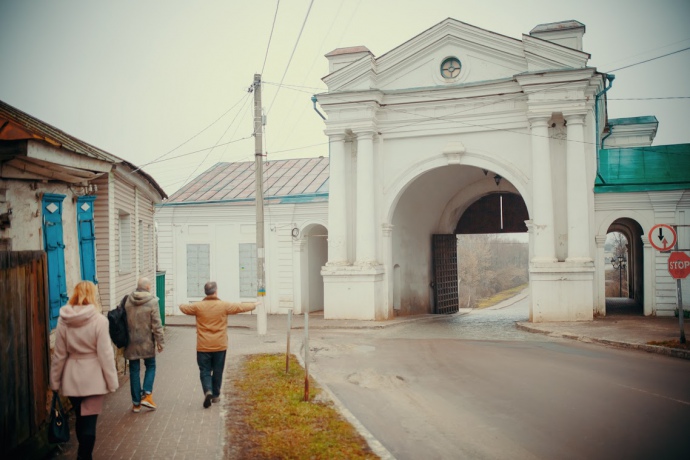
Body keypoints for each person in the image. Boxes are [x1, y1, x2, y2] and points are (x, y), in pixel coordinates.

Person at [50, 280, 119, 460]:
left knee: (80, 418)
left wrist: (54, 382)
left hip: (71, 377)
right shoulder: (99, 321)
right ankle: (84, 456)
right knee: (89, 421)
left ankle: (84, 454)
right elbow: (105, 354)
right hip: (92, 380)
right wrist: (112, 381)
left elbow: (59, 355)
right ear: (92, 295)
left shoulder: (64, 320)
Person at [179, 281, 258, 408]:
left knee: (204, 370)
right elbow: (239, 307)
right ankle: (215, 395)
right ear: (216, 291)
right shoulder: (223, 305)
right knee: (218, 370)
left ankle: (207, 390)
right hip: (220, 345)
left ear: (205, 292)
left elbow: (184, 309)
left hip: (203, 345)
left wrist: (180, 305)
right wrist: (254, 305)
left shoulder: (198, 306)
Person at [124, 277, 165, 413]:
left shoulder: (127, 300)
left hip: (130, 341)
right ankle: (147, 394)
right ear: (147, 287)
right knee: (151, 366)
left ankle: (136, 404)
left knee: (134, 371)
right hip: (146, 342)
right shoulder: (152, 302)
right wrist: (160, 342)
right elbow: (157, 324)